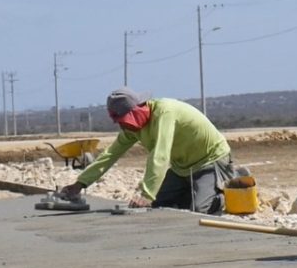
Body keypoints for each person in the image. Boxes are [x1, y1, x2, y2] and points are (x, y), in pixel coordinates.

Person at [59, 87, 235, 213]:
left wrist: (147, 194)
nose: (123, 126)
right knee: (160, 204)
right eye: (120, 122)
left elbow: (160, 154)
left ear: (138, 109)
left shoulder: (165, 112)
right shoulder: (133, 128)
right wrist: (80, 184)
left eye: (125, 120)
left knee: (198, 210)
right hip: (183, 168)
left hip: (210, 161)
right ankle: (195, 191)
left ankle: (221, 194)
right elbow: (110, 155)